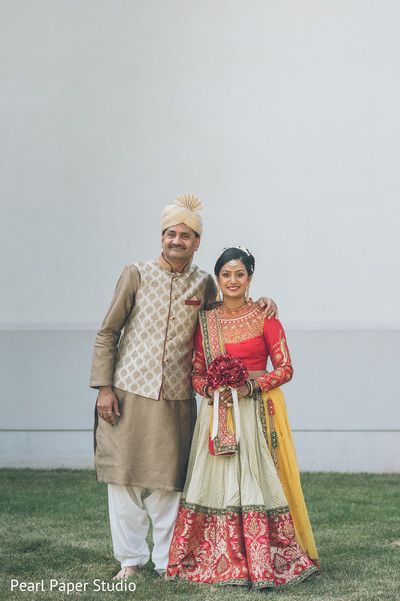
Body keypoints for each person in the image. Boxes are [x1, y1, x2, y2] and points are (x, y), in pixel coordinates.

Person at [89, 197, 278, 579]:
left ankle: (164, 561)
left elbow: (225, 316)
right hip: (127, 390)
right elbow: (108, 331)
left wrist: (261, 304)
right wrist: (103, 387)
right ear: (162, 238)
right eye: (172, 233)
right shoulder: (136, 274)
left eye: (186, 235)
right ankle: (129, 560)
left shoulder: (205, 283)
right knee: (122, 477)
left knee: (169, 482)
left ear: (197, 243)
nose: (178, 240)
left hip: (177, 397)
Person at [167, 246, 320, 588]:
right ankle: (216, 558)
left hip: (255, 411)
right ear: (217, 279)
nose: (232, 280)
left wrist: (251, 386)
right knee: (216, 480)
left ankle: (264, 560)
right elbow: (196, 371)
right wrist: (211, 388)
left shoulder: (266, 317)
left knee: (256, 478)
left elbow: (286, 368)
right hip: (216, 413)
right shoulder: (205, 321)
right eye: (226, 274)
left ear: (250, 278)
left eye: (240, 274)